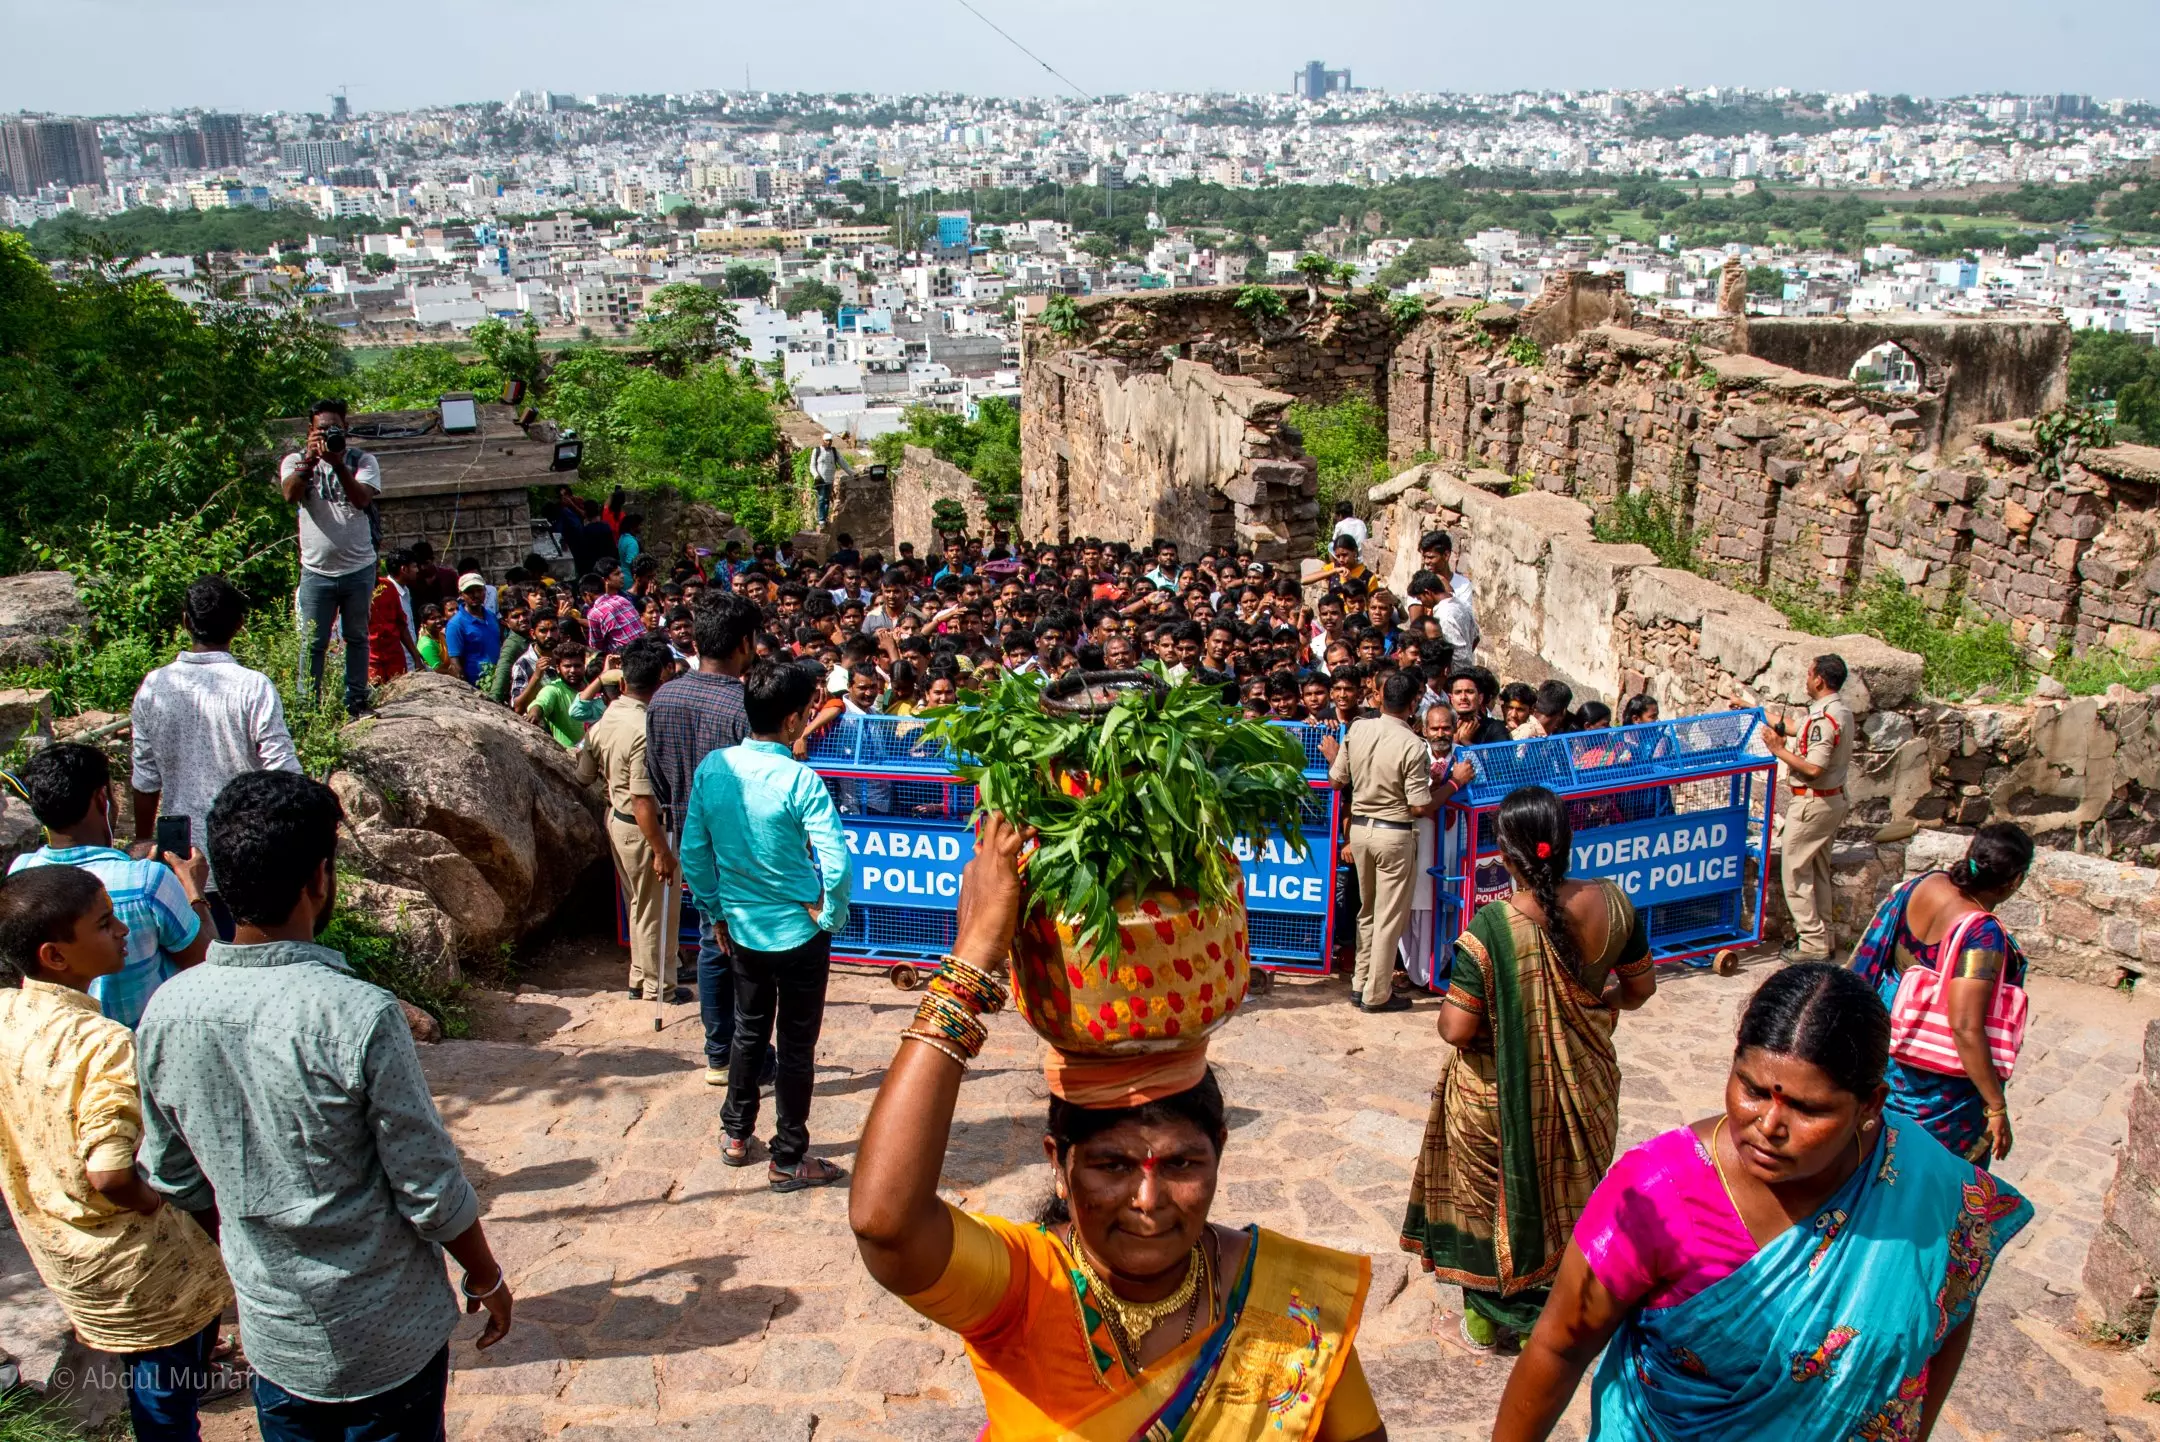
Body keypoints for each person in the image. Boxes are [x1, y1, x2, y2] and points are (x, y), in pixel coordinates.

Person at [849, 814, 1386, 1441]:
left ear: (1221, 1152)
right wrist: (972, 962)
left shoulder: (1289, 1301)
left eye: (1183, 1164)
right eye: (1113, 1165)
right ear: (1058, 1161)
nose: (1149, 1202)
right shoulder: (1024, 1289)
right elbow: (885, 1225)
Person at [1490, 964, 2031, 1442]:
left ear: (1871, 1104)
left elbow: (1949, 1309)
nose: (1769, 1126)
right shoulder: (1658, 1194)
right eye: (1751, 1089)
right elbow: (1558, 1348)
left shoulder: (1927, 1188)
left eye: (1808, 1109)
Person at [136, 771, 514, 1438]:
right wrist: (484, 1276)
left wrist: (252, 1251)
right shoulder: (358, 1014)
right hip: (386, 1333)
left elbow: (175, 1177)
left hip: (276, 1334)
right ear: (319, 879)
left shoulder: (167, 1012)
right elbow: (426, 1184)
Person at [1401, 784, 1654, 1352]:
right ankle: (1562, 1309)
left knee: (1492, 1203)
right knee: (1567, 1197)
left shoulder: (1494, 927)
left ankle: (1486, 1325)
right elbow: (1640, 988)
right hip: (1584, 1086)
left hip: (1498, 1093)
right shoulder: (1614, 903)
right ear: (1565, 843)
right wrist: (1596, 1006)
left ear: (1505, 854)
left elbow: (1457, 1029)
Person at [0, 866, 236, 1442]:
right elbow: (108, 1171)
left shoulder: (7, 1013)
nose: (123, 932)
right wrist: (155, 1201)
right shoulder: (101, 1042)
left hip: (63, 1253)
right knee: (165, 1403)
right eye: (105, 925)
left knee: (152, 1384)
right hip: (139, 1267)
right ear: (56, 955)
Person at [679, 660, 851, 1192]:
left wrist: (716, 913)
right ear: (796, 719)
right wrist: (829, 915)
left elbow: (693, 852)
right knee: (795, 1047)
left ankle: (736, 1135)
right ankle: (788, 1156)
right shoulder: (801, 778)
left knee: (749, 1031)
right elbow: (837, 861)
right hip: (800, 934)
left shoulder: (713, 769)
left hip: (743, 931)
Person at [1848, 822, 2035, 1167]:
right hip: (1932, 1076)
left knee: (1881, 1145)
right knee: (1927, 1169)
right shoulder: (1982, 934)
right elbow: (1964, 1025)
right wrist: (1996, 1106)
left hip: (1889, 1032)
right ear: (2015, 881)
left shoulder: (1925, 884)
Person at [130, 575, 301, 939]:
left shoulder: (154, 686)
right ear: (240, 625)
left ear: (185, 622)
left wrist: (144, 838)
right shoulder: (253, 686)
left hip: (180, 857)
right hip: (244, 853)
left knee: (193, 957)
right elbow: (284, 773)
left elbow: (145, 779)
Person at [9, 744, 212, 1028]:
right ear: (101, 798)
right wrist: (193, 891)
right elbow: (206, 964)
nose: (121, 931)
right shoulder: (146, 880)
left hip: (62, 1040)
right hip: (140, 1041)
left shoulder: (21, 874)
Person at [646, 594, 761, 1087]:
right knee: (740, 947)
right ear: (744, 643)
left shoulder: (663, 698)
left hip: (685, 833)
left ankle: (719, 1053)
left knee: (710, 939)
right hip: (737, 842)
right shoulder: (744, 704)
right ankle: (741, 1053)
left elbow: (654, 779)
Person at [579, 636, 686, 1004]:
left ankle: (640, 977)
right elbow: (644, 799)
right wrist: (661, 850)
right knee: (658, 910)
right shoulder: (646, 728)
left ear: (623, 684)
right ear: (661, 682)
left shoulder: (608, 715)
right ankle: (661, 987)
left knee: (637, 904)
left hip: (616, 819)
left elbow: (584, 773)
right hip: (644, 826)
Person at [1329, 670, 1440, 1013]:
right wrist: (1451, 784)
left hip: (1360, 830)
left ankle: (1360, 983)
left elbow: (1336, 780)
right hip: (1393, 833)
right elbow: (1420, 804)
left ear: (1379, 697)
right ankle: (1376, 993)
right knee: (1388, 916)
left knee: (1368, 911)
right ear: (1412, 704)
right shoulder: (1412, 744)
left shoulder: (1359, 727)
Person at [280, 398, 381, 716]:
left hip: (358, 566)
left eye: (335, 428)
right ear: (310, 431)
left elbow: (362, 499)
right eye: (322, 429)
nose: (329, 434)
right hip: (316, 570)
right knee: (313, 642)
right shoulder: (295, 461)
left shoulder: (362, 460)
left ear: (346, 428)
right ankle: (307, 709)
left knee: (357, 636)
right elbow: (290, 494)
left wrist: (337, 463)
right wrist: (310, 460)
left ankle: (357, 702)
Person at [1762, 653, 1855, 963]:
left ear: (1819, 679)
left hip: (1813, 802)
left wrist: (1778, 751)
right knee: (1818, 870)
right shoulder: (1839, 712)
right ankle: (1824, 935)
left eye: (1809, 673)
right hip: (1831, 800)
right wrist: (1757, 712)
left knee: (1795, 871)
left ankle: (1811, 942)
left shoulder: (1823, 719)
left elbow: (1814, 768)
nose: (1805, 679)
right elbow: (1795, 727)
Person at [368, 548, 420, 685]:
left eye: (378, 567)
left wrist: (416, 658)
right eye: (373, 568)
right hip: (370, 660)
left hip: (394, 658)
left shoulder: (388, 587)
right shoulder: (354, 592)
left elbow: (402, 625)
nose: (378, 571)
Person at [442, 572, 502, 688]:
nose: (475, 595)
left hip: (496, 681)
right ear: (461, 594)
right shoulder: (456, 624)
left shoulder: (490, 616)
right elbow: (455, 662)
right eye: (470, 592)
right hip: (476, 685)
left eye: (479, 590)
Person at [810, 433, 856, 529]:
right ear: (823, 441)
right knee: (822, 499)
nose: (829, 442)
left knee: (827, 499)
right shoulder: (817, 451)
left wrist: (852, 473)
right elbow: (812, 466)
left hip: (830, 479)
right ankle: (821, 520)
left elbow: (842, 462)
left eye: (830, 441)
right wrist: (816, 475)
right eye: (827, 440)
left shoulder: (834, 451)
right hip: (821, 480)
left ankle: (825, 518)